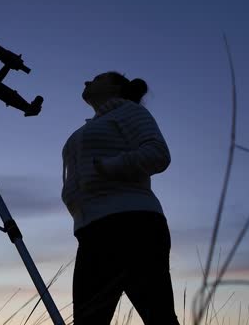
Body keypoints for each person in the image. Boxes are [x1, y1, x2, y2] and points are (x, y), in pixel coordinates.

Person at [61, 71, 180, 325]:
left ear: (116, 88)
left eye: (97, 78)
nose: (87, 81)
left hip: (133, 224)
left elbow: (158, 153)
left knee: (159, 317)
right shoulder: (91, 126)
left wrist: (109, 166)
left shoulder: (129, 111)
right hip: (91, 229)